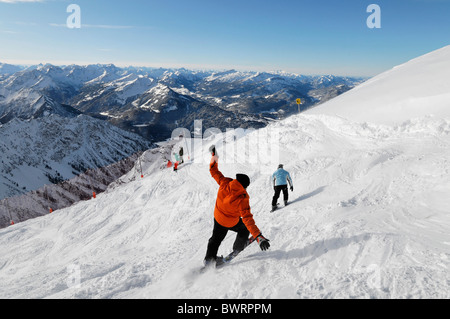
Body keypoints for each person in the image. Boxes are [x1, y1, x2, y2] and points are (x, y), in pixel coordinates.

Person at [204, 146, 270, 267]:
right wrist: (258, 237)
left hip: (218, 218)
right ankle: (238, 247)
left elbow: (214, 171)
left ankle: (209, 260)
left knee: (215, 240)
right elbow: (248, 219)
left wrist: (214, 157)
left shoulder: (224, 183)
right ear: (244, 187)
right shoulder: (242, 199)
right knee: (244, 228)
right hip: (230, 222)